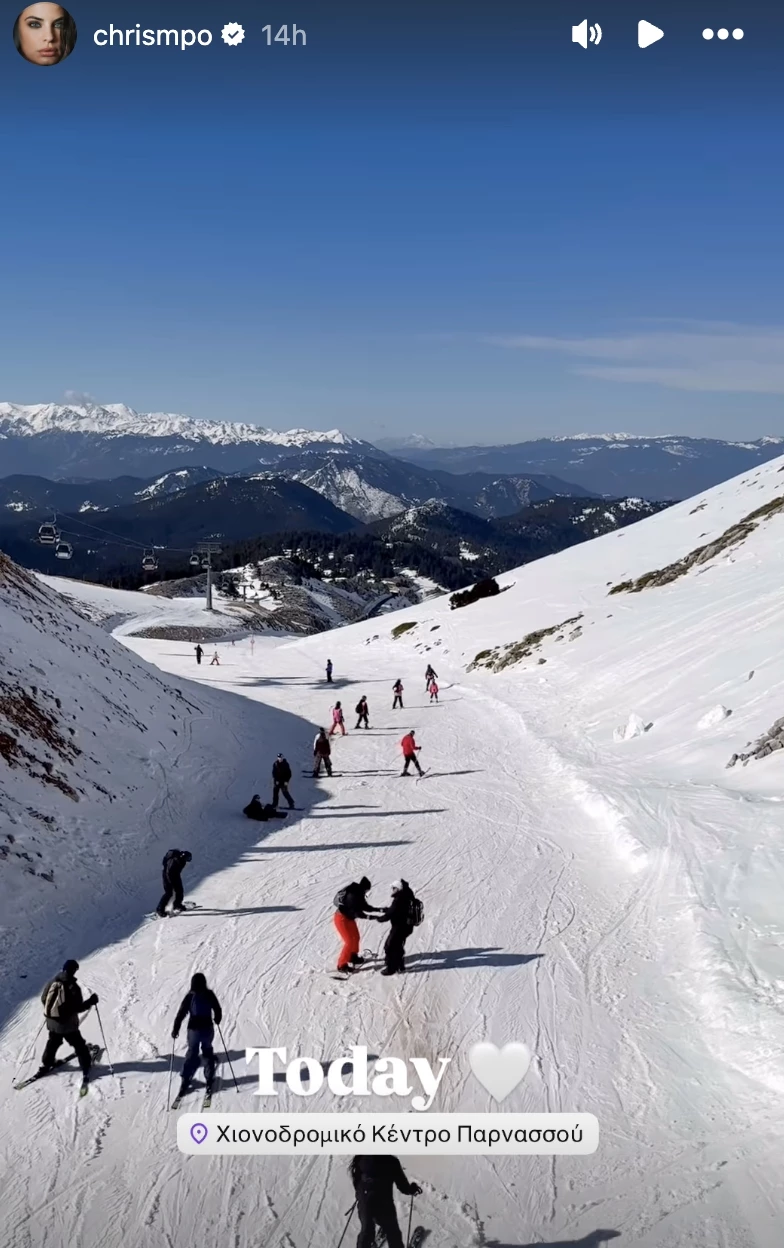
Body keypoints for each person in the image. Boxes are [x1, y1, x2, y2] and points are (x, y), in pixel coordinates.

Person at [35, 959, 98, 1081]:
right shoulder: (72, 987)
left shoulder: (52, 982)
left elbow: (44, 999)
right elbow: (78, 1008)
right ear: (74, 971)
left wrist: (55, 1012)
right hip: (68, 1025)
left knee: (53, 1043)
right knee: (79, 1045)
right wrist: (91, 1001)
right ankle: (86, 1065)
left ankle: (46, 1064)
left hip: (52, 1022)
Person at [349, 1155, 422, 1248]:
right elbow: (402, 1186)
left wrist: (360, 1195)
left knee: (367, 1230)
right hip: (384, 1202)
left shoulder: (361, 1159)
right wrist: (411, 1189)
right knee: (392, 1232)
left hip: (365, 1201)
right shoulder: (391, 1161)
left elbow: (356, 1181)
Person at [171, 972, 222, 1098]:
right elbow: (217, 1008)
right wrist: (217, 1019)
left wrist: (176, 1029)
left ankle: (186, 1078)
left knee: (192, 1053)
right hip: (207, 1029)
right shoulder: (209, 994)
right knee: (207, 1052)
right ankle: (209, 1078)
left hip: (193, 1030)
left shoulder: (190, 996)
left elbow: (181, 1013)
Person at [333, 877, 381, 973]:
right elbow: (358, 913)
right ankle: (341, 965)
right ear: (364, 888)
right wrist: (371, 917)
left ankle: (353, 956)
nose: (367, 892)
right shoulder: (353, 895)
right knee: (349, 941)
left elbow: (364, 906)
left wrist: (378, 910)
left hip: (348, 918)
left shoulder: (358, 893)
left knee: (356, 937)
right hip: (341, 919)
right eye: (367, 890)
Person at [373, 881, 416, 976]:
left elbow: (390, 914)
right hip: (407, 927)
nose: (392, 890)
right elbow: (398, 910)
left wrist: (379, 918)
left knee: (389, 947)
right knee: (398, 946)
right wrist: (388, 909)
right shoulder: (407, 895)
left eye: (393, 888)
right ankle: (400, 966)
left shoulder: (399, 899)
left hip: (399, 927)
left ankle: (391, 968)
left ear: (398, 888)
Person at [156, 849, 192, 917]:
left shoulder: (182, 861)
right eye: (188, 858)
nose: (188, 860)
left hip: (175, 875)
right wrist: (170, 882)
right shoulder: (175, 861)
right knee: (168, 893)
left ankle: (177, 905)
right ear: (183, 856)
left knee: (179, 890)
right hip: (167, 876)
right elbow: (168, 872)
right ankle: (160, 909)